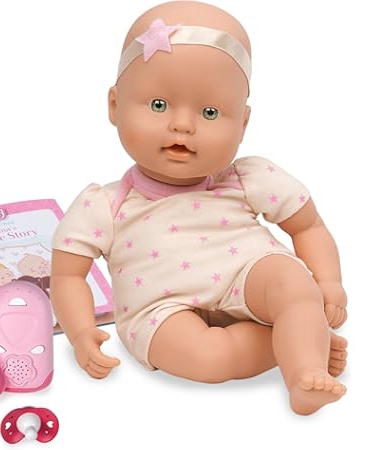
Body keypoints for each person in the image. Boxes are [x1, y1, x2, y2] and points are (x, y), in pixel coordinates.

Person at [50, 1, 348, 415]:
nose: (183, 125)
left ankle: (304, 372)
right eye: (159, 105)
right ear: (114, 106)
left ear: (242, 124)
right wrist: (81, 332)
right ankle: (301, 338)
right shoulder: (103, 204)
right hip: (158, 308)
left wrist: (328, 282)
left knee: (294, 285)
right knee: (209, 357)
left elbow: (308, 226)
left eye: (210, 112)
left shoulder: (247, 178)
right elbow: (67, 275)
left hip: (247, 274)